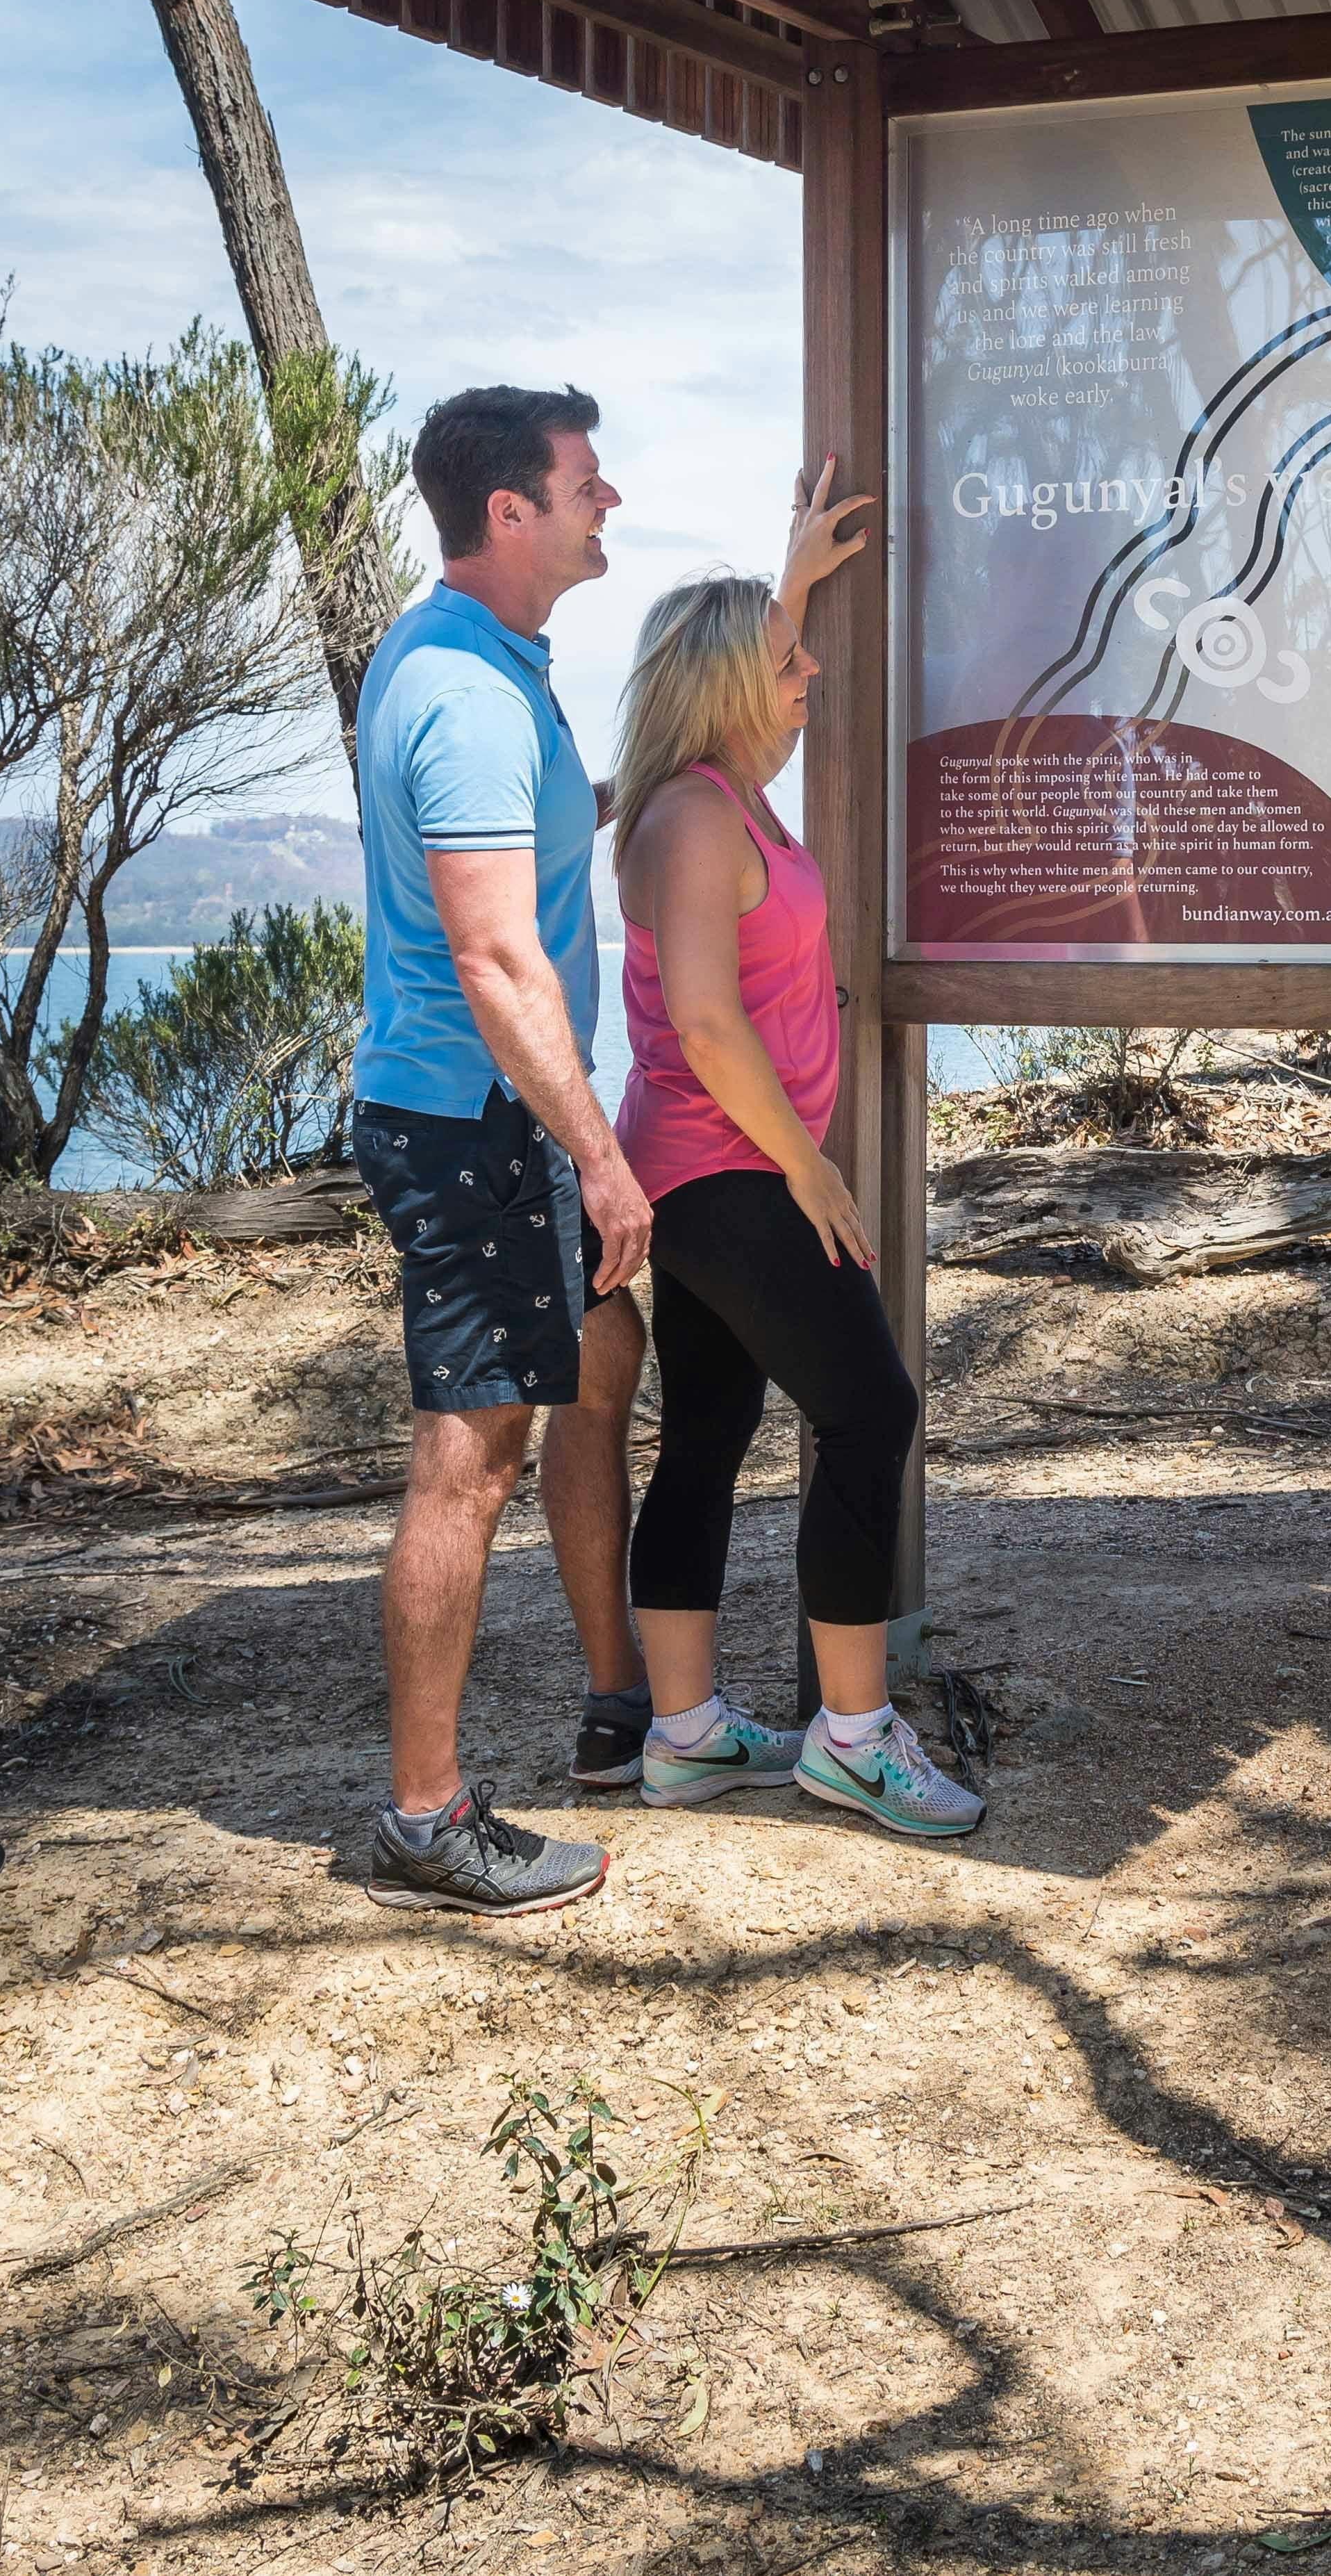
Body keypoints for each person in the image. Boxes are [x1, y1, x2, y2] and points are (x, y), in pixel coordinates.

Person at [609, 566, 983, 1841]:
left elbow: (734, 647)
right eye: (786, 660)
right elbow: (708, 1022)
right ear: (724, 685)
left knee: (708, 1438)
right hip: (732, 1172)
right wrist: (811, 1168)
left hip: (705, 1170)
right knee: (871, 1413)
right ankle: (853, 1740)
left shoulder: (721, 800)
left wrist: (796, 565)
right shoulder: (699, 820)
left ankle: (688, 1739)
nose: (806, 670)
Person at [350, 383, 655, 1917]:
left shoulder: (481, 665)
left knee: (571, 1383)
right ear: (510, 511)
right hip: (477, 1123)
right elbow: (492, 957)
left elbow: (528, 846)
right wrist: (597, 1155)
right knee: (465, 1462)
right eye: (586, 484)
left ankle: (615, 1703)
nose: (609, 503)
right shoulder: (463, 691)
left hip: (484, 1118)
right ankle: (424, 1816)